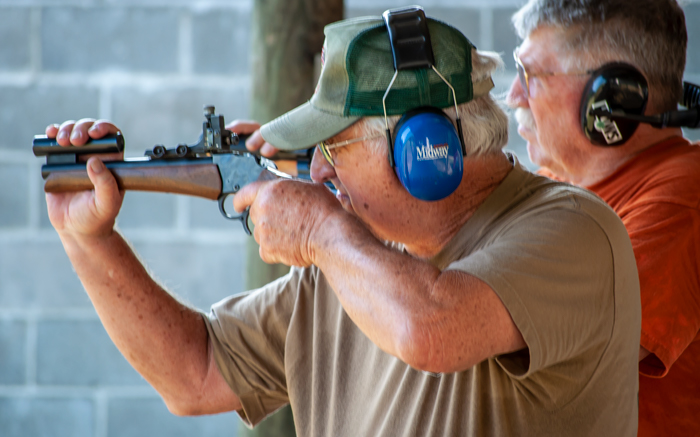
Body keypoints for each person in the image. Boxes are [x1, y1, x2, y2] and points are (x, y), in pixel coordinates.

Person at [45, 11, 642, 436]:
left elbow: (431, 329)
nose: (315, 169)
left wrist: (320, 234)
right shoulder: (356, 252)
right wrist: (88, 239)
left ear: (423, 149)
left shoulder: (575, 231)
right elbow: (193, 376)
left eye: (333, 146)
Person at [506, 1, 700, 435]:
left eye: (531, 75)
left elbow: (561, 354)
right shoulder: (557, 181)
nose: (513, 95)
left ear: (613, 99)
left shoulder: (685, 198)